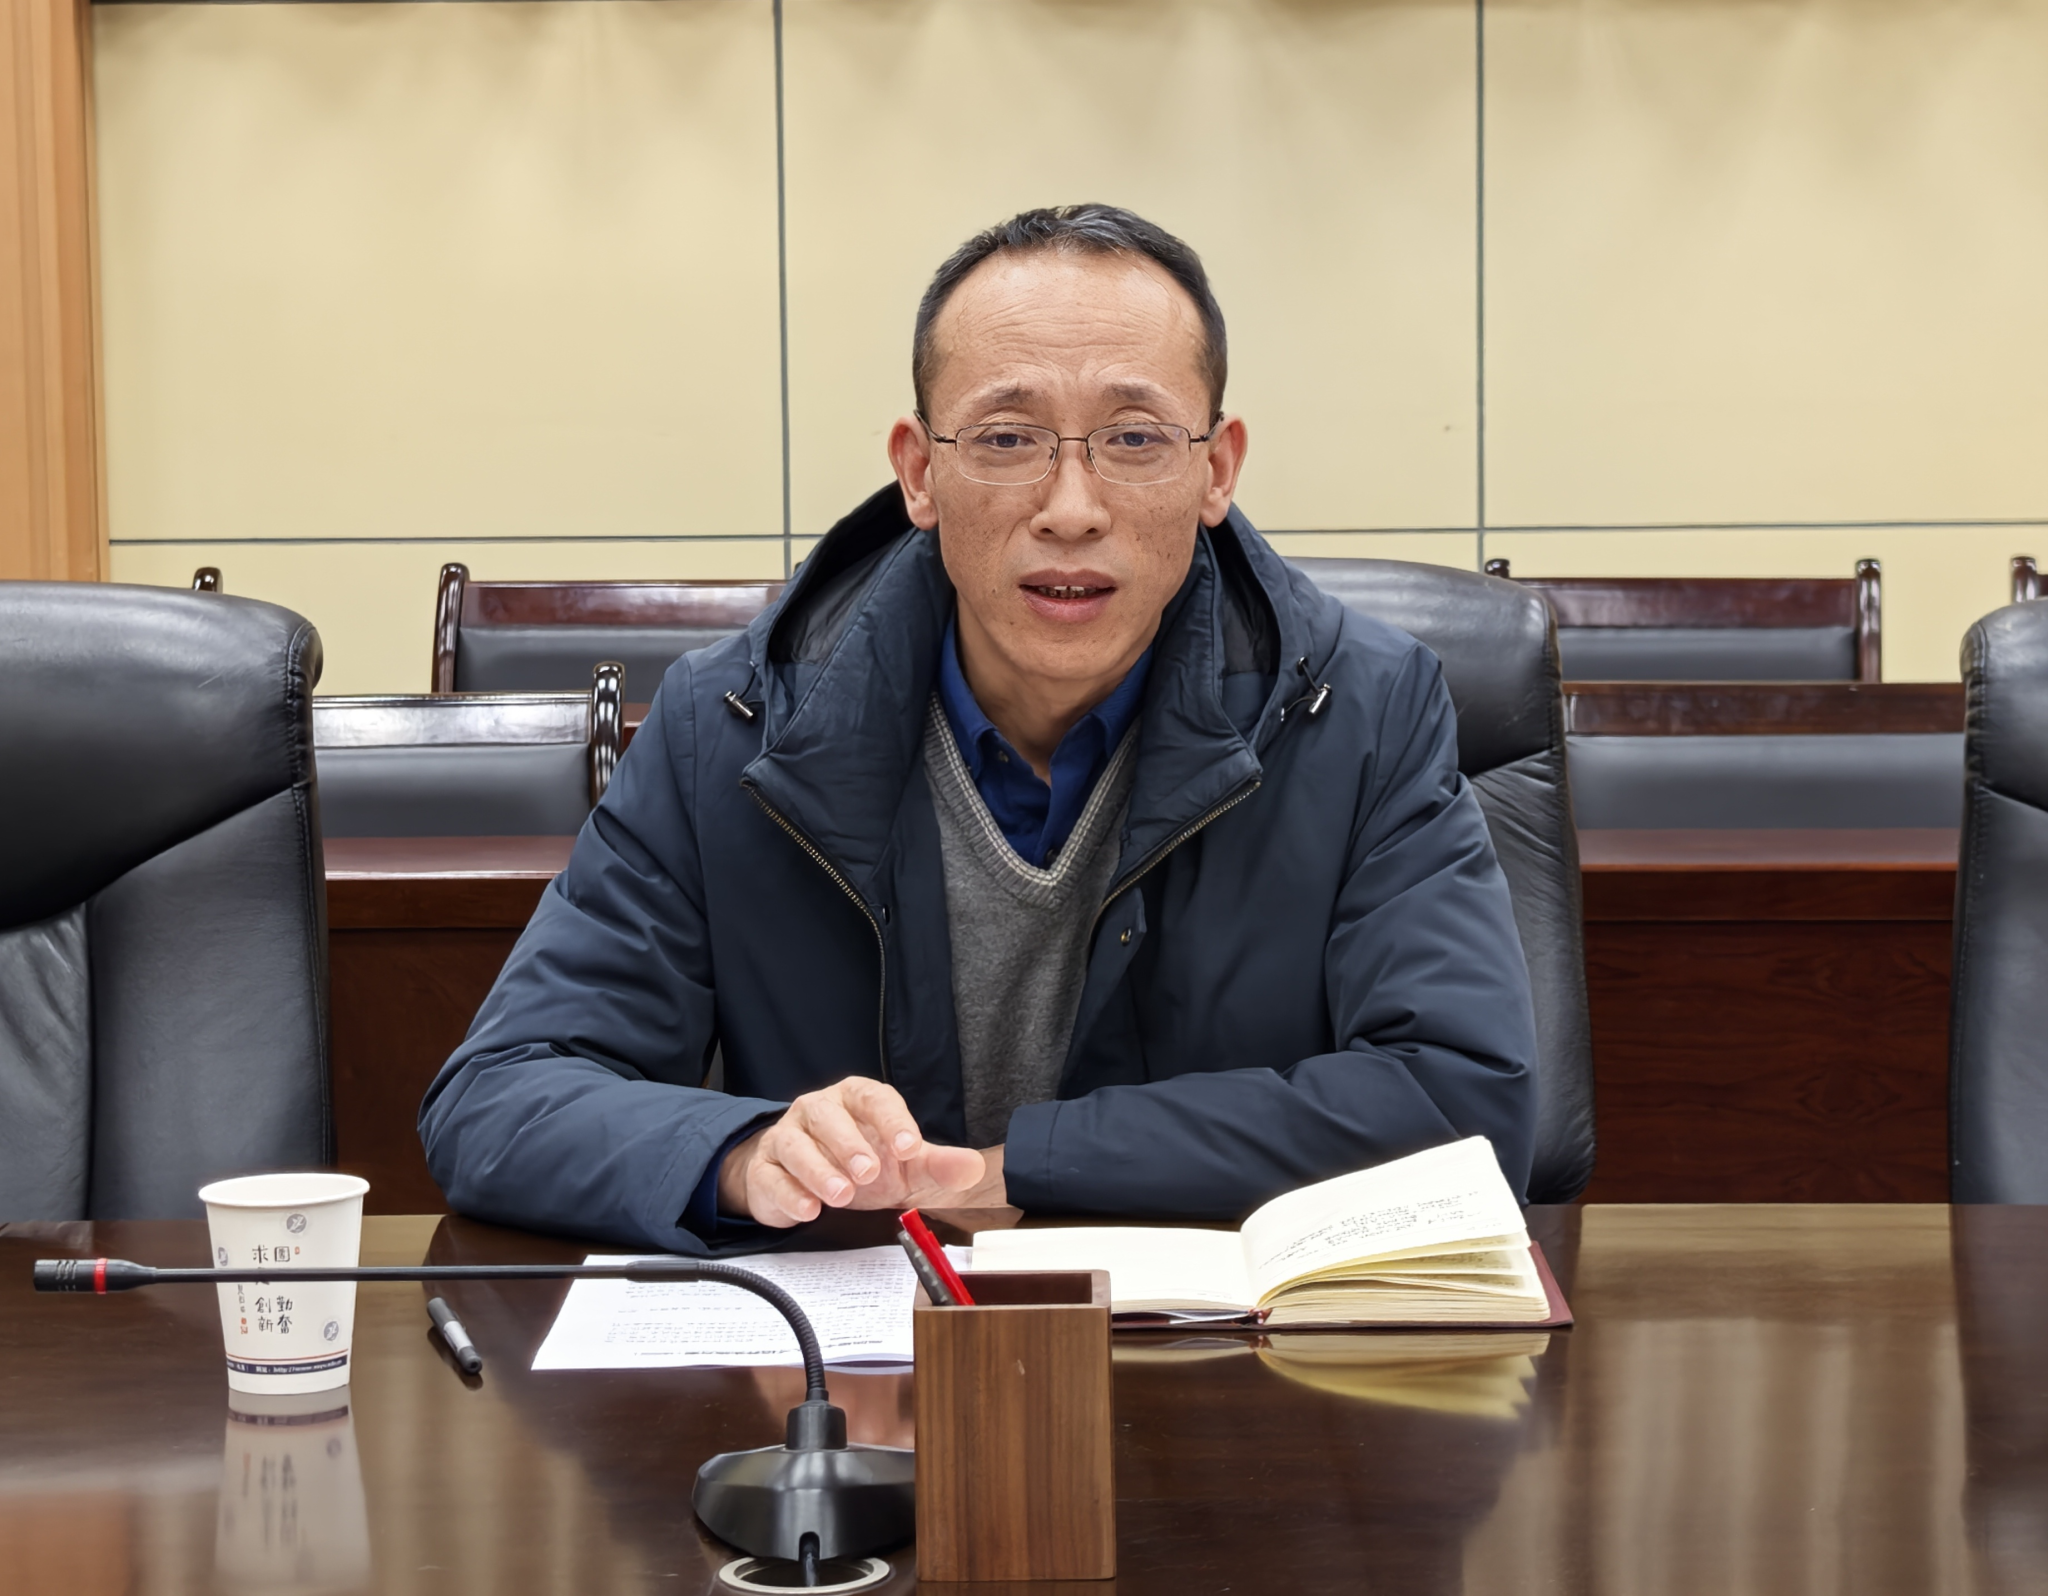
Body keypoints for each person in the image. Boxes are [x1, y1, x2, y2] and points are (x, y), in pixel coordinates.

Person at [419, 203, 1538, 1252]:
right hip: (861, 1360)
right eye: (1006, 439)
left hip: (1213, 1359)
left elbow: (1465, 1100)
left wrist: (1022, 1170)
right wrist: (741, 1154)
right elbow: (498, 1098)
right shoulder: (734, 726)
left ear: (1217, 468)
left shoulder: (1359, 713)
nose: (1070, 509)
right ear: (918, 473)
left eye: (1134, 438)